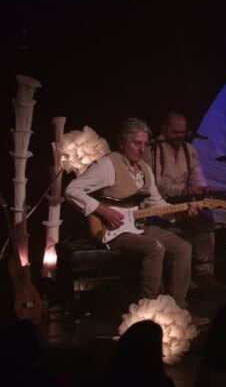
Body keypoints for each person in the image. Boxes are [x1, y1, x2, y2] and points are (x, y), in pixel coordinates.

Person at [65, 117, 207, 325]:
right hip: (112, 230)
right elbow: (72, 190)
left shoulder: (144, 170)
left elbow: (157, 204)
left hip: (138, 227)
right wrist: (102, 210)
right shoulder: (108, 164)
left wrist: (185, 210)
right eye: (136, 143)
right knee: (155, 247)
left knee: (183, 247)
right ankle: (148, 315)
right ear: (122, 142)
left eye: (144, 144)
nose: (141, 149)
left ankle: (178, 311)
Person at [148, 111, 226, 291]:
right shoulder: (153, 148)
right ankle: (183, 277)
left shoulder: (189, 150)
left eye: (182, 133)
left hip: (185, 203)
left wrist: (202, 188)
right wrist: (180, 190)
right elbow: (156, 182)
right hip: (162, 206)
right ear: (164, 129)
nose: (179, 136)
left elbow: (196, 176)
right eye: (175, 132)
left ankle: (204, 272)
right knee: (182, 229)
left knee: (206, 221)